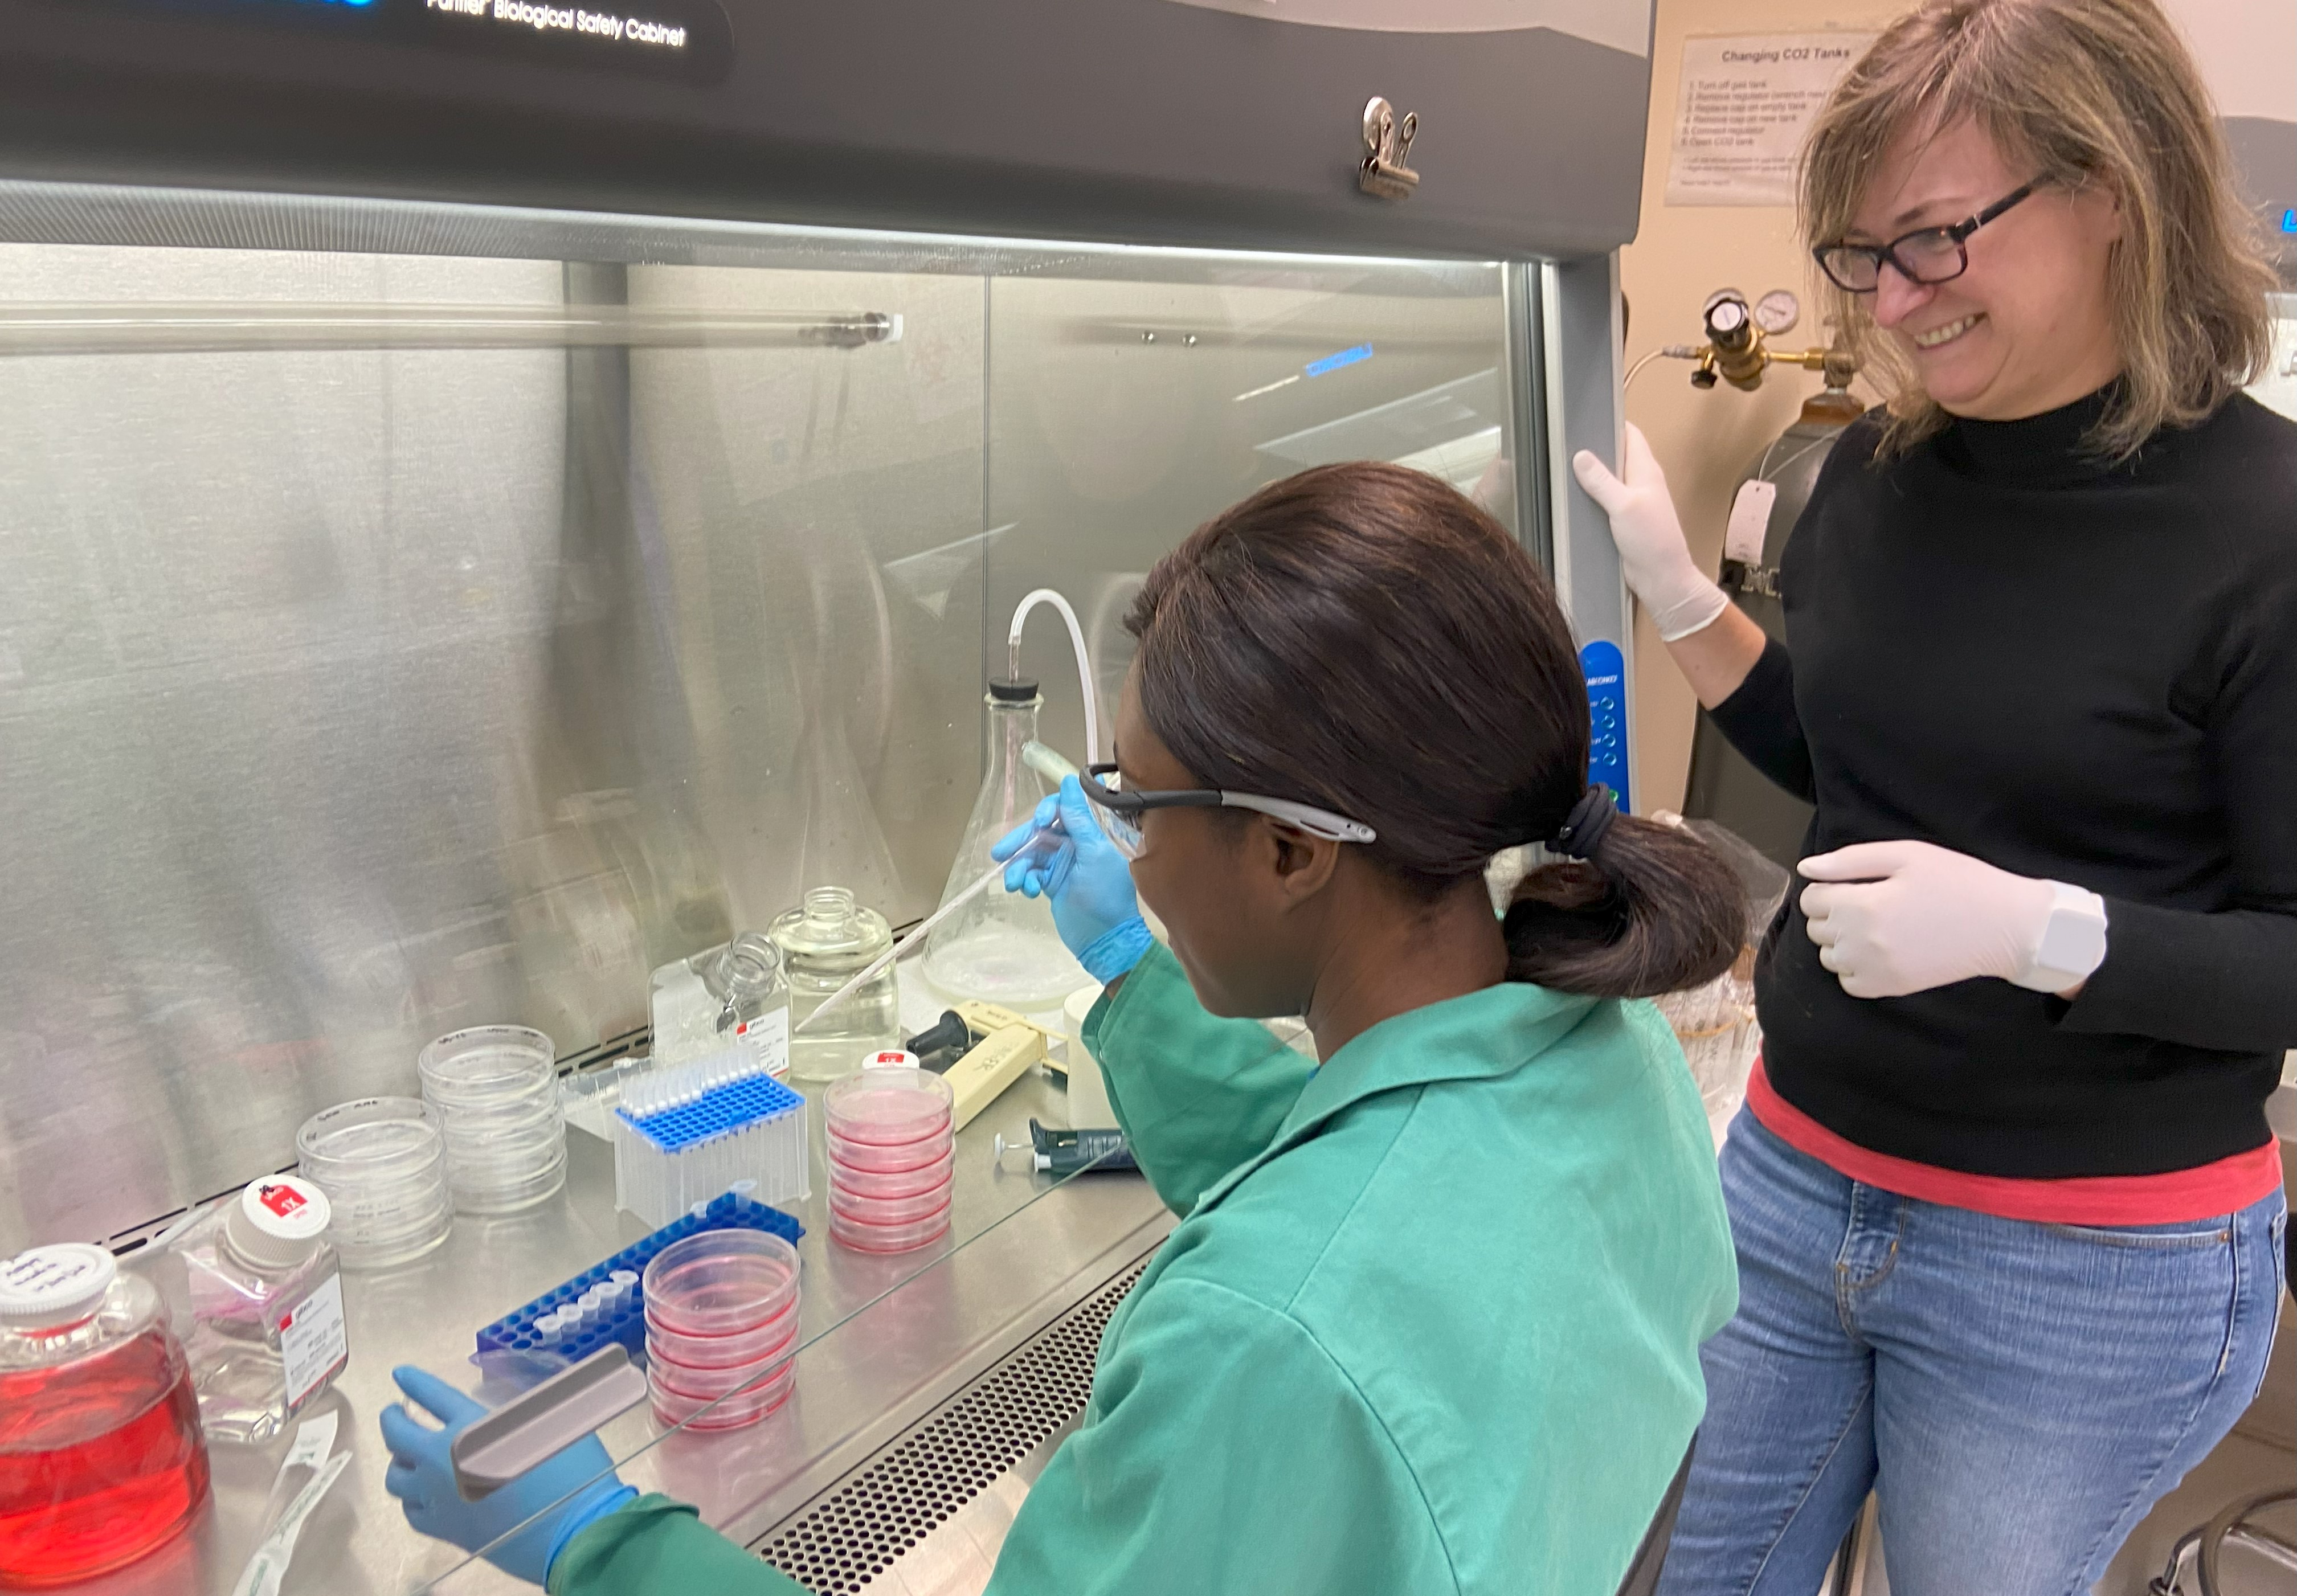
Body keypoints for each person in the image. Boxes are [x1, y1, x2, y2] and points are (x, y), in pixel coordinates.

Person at [380, 462, 1751, 1594]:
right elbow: (1354, 1170)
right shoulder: (1601, 1058)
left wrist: (593, 1541)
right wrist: (1124, 966)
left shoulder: (1256, 1343)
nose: (1127, 852)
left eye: (1141, 809)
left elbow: (1319, 1278)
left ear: (1289, 853)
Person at [1569, 3, 2294, 1592]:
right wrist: (1689, 604)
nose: (1894, 298)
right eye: (1862, 252)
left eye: (1939, 239)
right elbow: (1859, 769)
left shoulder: (2267, 529)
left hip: (2081, 1254)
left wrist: (2045, 934)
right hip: (1795, 1167)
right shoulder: (1881, 480)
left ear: (2113, 189)